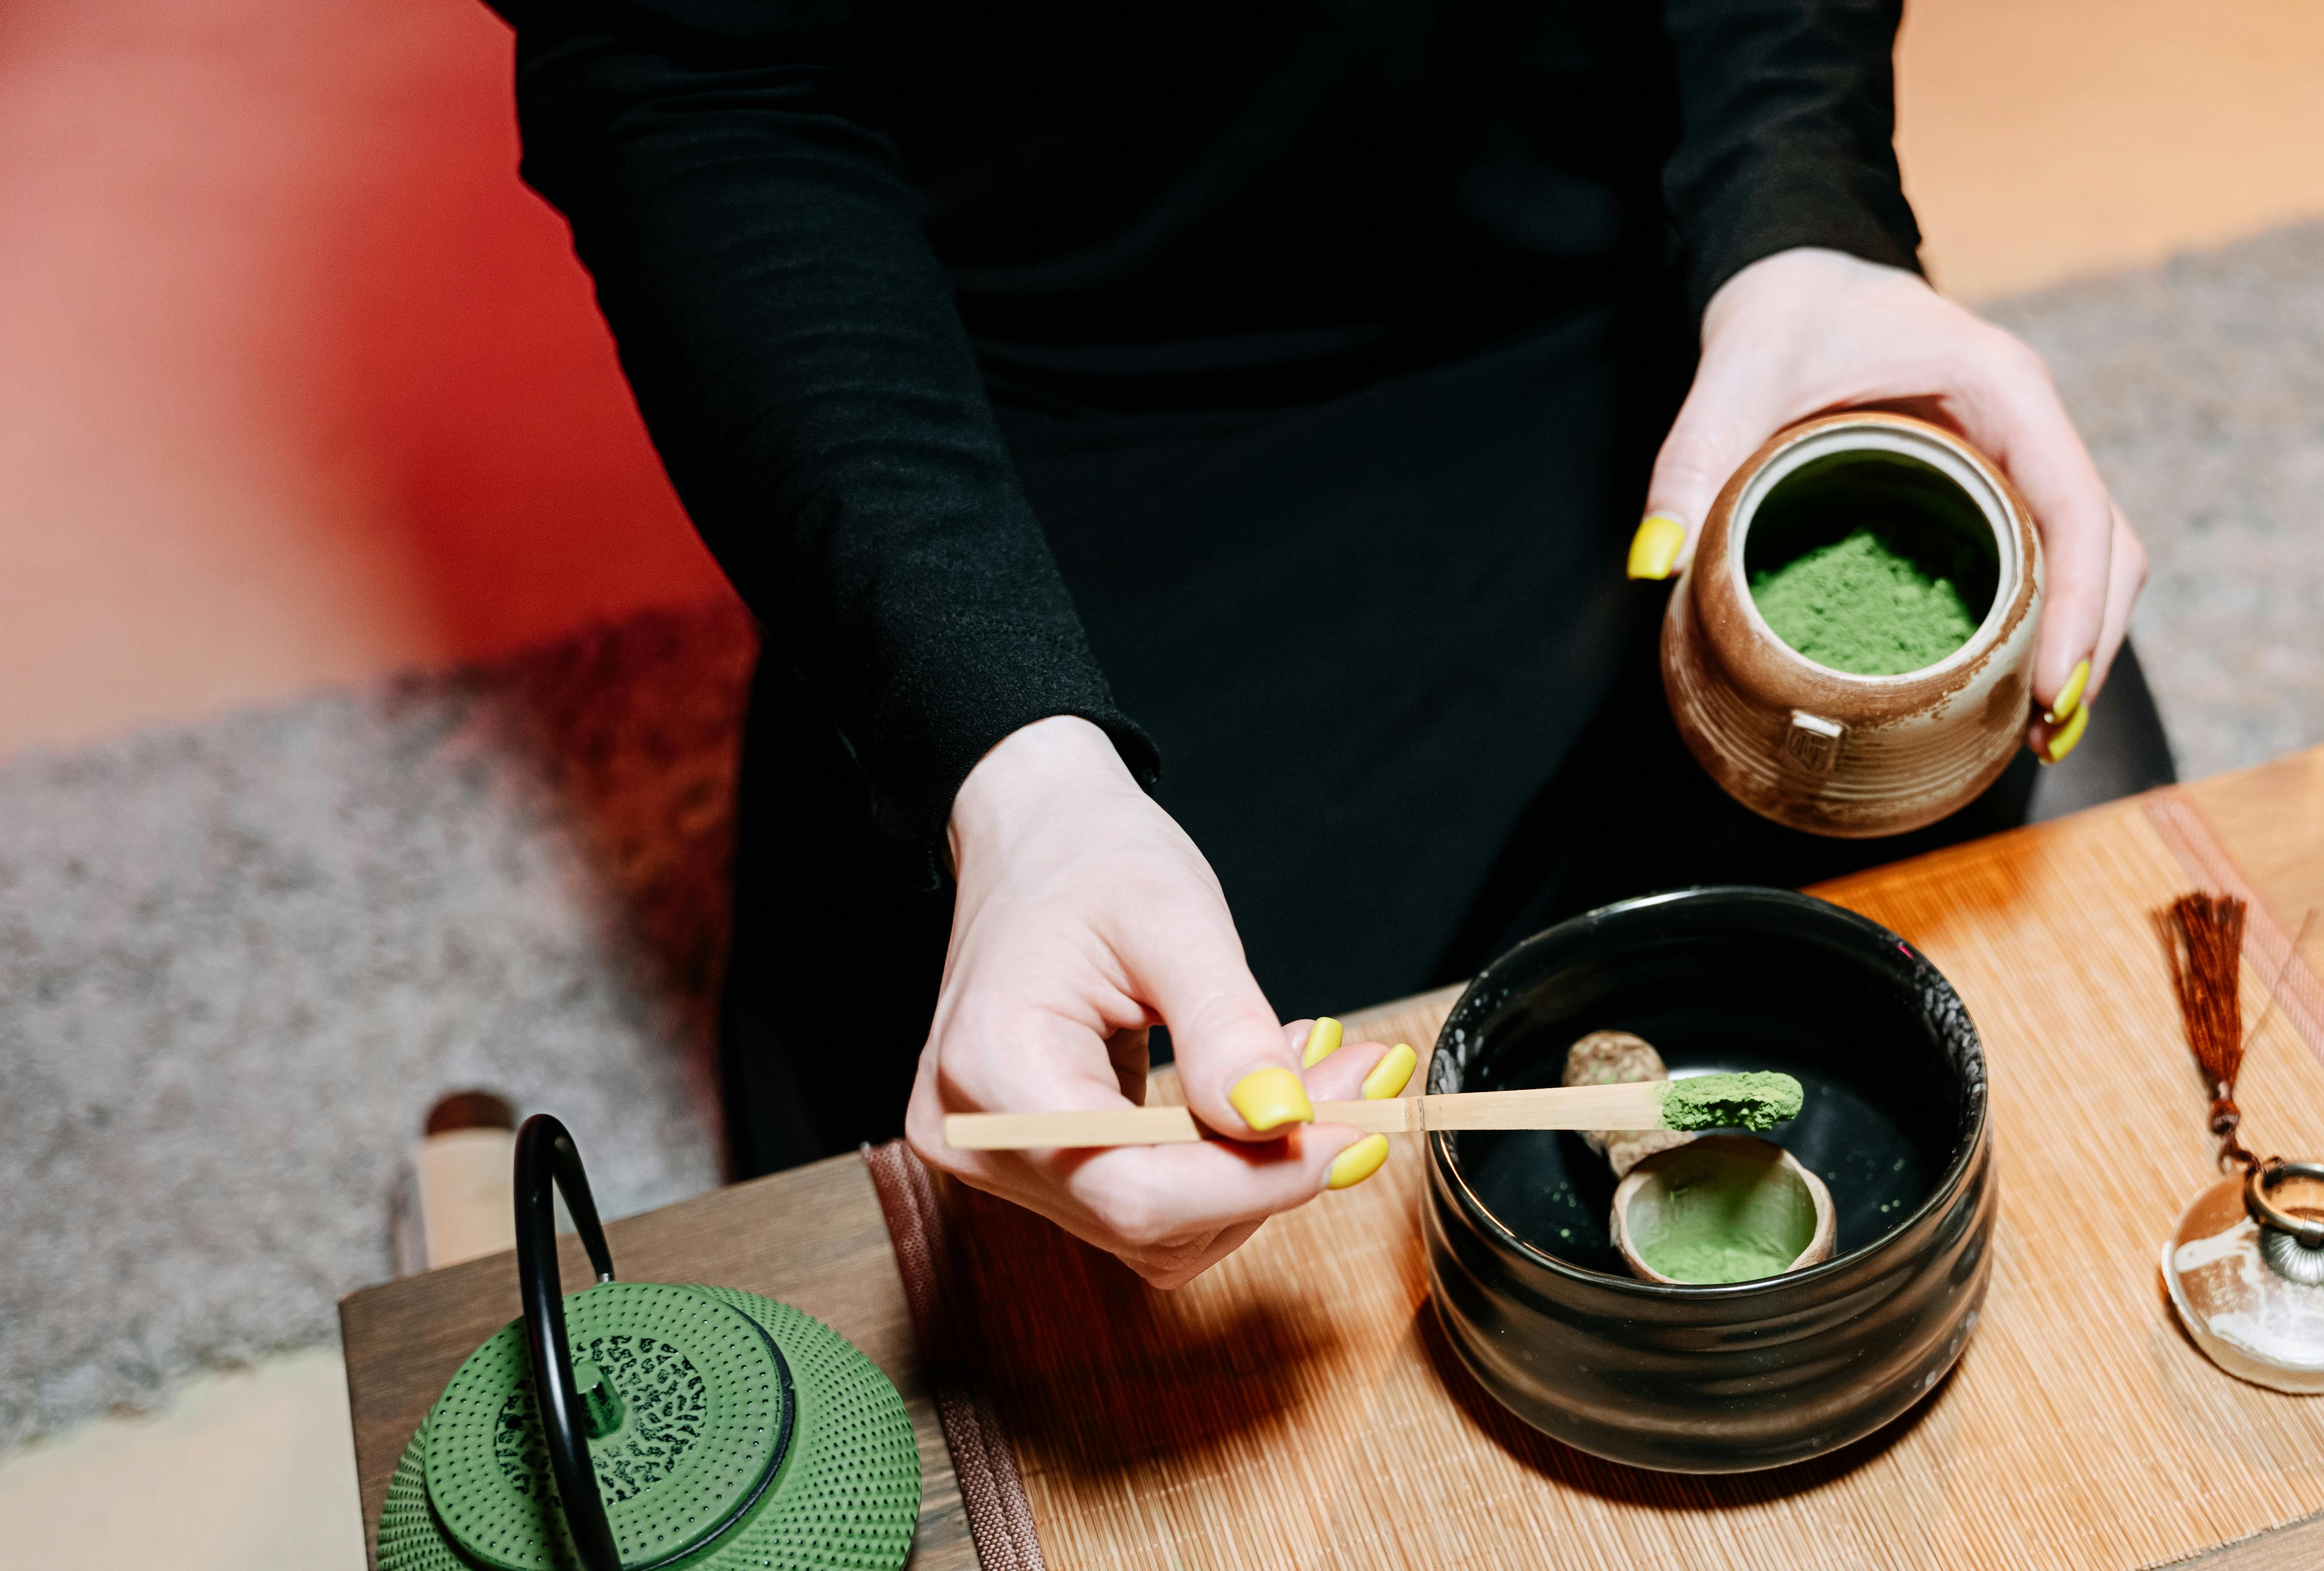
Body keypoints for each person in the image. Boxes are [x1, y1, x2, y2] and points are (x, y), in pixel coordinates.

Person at [496, 0, 2168, 1289]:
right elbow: (699, 85)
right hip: (1052, 416)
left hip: (1630, 290)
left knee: (2052, 996)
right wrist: (1012, 761)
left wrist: (1804, 208)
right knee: (1118, 1215)